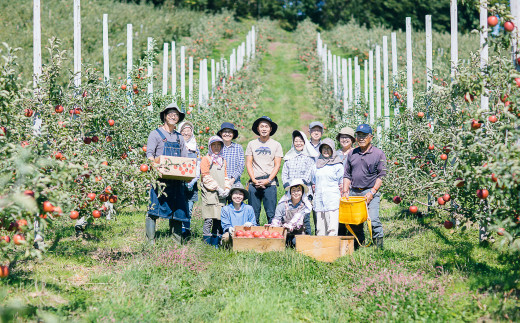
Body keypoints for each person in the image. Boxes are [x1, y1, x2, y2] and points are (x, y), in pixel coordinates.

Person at [145, 103, 189, 244]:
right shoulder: (155, 134)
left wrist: (188, 175)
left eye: (175, 114)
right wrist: (155, 167)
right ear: (164, 116)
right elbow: (150, 154)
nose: (172, 116)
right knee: (154, 208)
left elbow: (185, 159)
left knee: (178, 210)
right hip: (160, 179)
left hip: (176, 180)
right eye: (170, 113)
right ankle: (150, 241)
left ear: (178, 119)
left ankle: (176, 242)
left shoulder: (179, 137)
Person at [342, 124, 387, 249]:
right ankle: (358, 244)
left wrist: (372, 192)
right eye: (359, 135)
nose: (361, 138)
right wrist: (345, 191)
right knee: (355, 221)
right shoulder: (352, 154)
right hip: (354, 192)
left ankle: (379, 247)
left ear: (371, 137)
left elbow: (381, 175)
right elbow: (347, 174)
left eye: (364, 136)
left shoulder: (378, 154)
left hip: (369, 191)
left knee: (373, 220)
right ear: (356, 138)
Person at [245, 116, 283, 224]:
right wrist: (253, 180)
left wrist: (268, 180)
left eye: (267, 126)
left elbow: (277, 165)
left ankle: (272, 237)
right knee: (253, 213)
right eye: (262, 126)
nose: (264, 129)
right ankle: (252, 237)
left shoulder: (276, 145)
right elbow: (249, 163)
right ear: (258, 129)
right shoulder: (252, 144)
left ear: (270, 129)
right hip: (254, 182)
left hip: (270, 183)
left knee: (271, 213)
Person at [281, 130, 318, 235]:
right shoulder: (289, 157)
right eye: (296, 141)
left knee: (304, 217)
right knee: (290, 214)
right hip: (291, 191)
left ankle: (307, 237)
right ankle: (291, 237)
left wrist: (300, 187)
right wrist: (288, 185)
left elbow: (309, 174)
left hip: (305, 191)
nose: (298, 143)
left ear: (305, 142)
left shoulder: (309, 158)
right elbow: (284, 174)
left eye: (301, 141)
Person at [200, 136, 233, 245]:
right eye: (214, 145)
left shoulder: (223, 160)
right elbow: (205, 176)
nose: (216, 147)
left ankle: (215, 241)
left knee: (218, 218)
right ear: (210, 146)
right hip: (210, 192)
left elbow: (225, 176)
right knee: (209, 217)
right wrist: (217, 188)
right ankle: (206, 241)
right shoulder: (206, 159)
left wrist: (227, 188)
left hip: (221, 194)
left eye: (219, 145)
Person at [311, 138, 344, 236]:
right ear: (320, 150)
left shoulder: (337, 165)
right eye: (324, 148)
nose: (326, 150)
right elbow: (314, 181)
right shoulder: (316, 165)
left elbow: (341, 182)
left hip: (332, 198)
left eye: (328, 148)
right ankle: (321, 247)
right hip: (319, 198)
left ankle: (331, 247)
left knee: (332, 226)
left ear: (332, 150)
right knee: (320, 227)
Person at [271, 179, 313, 247]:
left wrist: (309, 237)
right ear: (290, 192)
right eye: (293, 190)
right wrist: (273, 225)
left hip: (299, 233)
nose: (296, 193)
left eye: (298, 190)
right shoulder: (282, 205)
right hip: (284, 232)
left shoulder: (305, 206)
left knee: (295, 243)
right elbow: (277, 218)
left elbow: (301, 220)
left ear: (302, 192)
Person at [179, 121, 200, 240]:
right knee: (178, 206)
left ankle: (186, 230)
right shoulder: (177, 145)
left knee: (189, 206)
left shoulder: (195, 148)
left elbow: (198, 164)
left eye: (189, 130)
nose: (186, 132)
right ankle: (177, 229)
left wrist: (193, 180)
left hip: (191, 183)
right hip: (178, 182)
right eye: (184, 130)